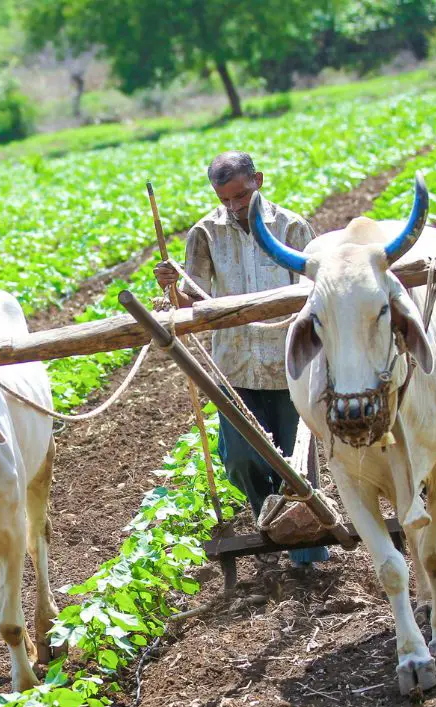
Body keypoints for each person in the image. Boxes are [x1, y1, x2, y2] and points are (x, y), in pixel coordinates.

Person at [154, 151, 329, 570]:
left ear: (259, 182)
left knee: (296, 460)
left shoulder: (291, 227)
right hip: (234, 368)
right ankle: (268, 517)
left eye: (241, 196)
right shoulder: (205, 234)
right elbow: (189, 304)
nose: (234, 207)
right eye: (226, 199)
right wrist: (171, 288)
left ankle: (307, 556)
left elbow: (318, 288)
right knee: (239, 457)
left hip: (290, 364)